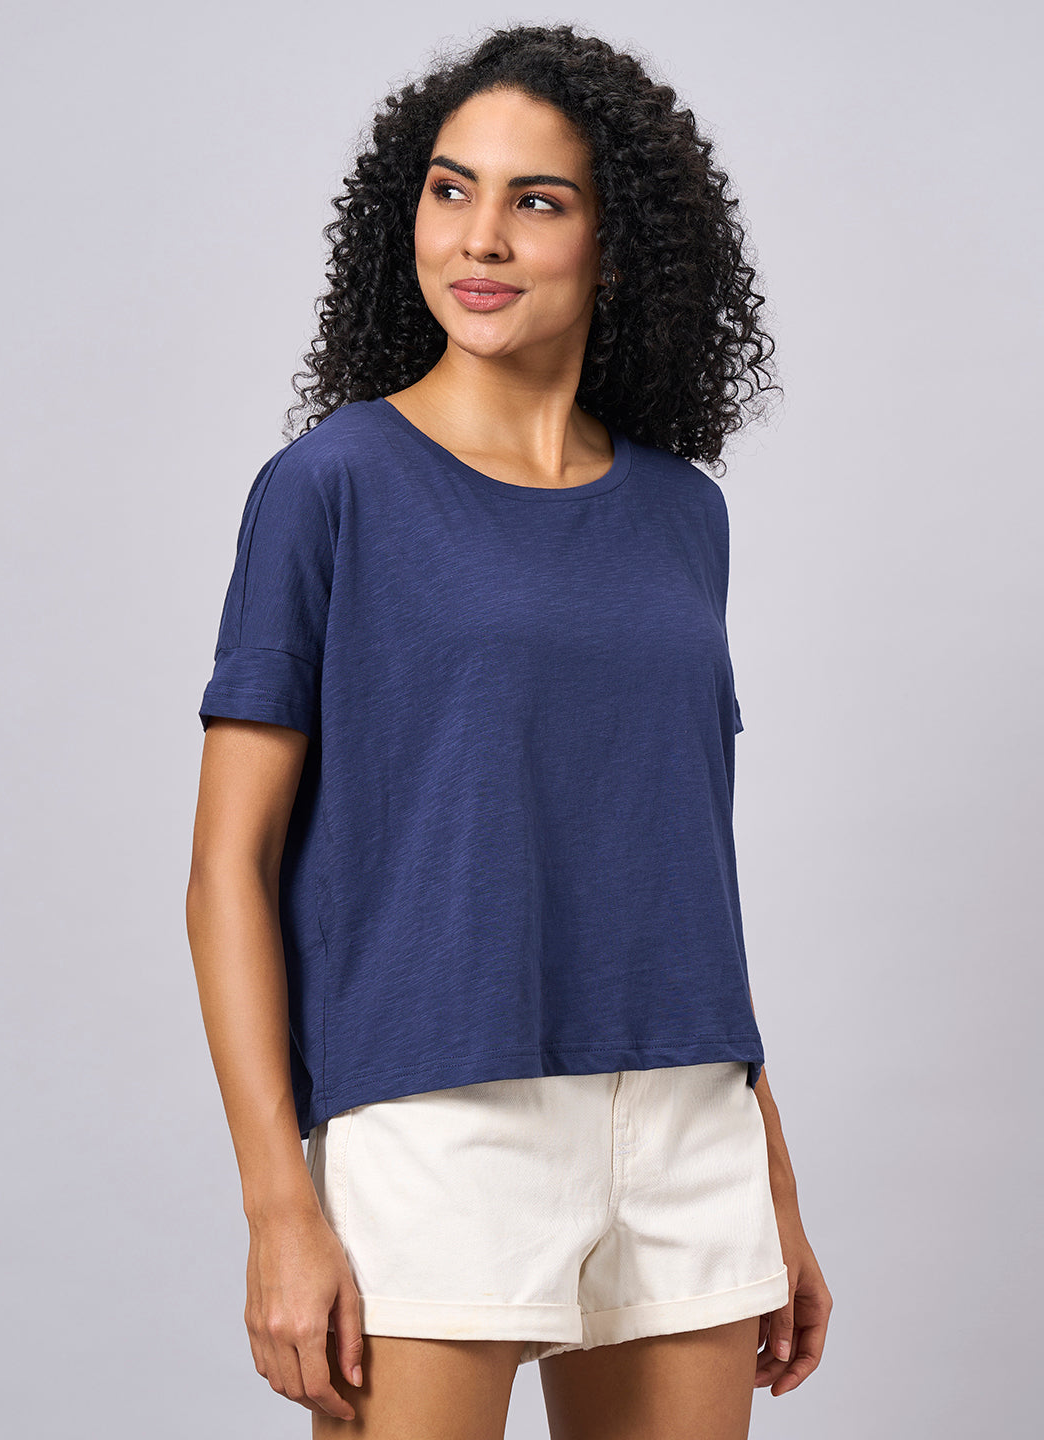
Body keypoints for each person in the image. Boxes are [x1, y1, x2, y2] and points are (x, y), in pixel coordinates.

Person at [186, 22, 833, 1439]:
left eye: (536, 201)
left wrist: (767, 1175)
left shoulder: (685, 514)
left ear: (620, 246)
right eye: (450, 189)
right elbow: (228, 866)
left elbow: (682, 862)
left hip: (688, 1121)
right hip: (436, 1111)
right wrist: (279, 1204)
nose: (479, 237)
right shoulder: (331, 486)